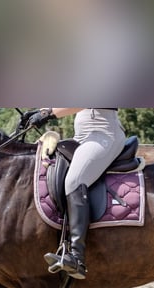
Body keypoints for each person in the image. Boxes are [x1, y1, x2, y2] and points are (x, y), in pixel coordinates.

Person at [20, 107, 126, 279]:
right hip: (82, 137)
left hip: (103, 135)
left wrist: (47, 114)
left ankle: (76, 256)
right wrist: (38, 111)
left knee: (74, 181)